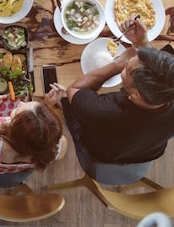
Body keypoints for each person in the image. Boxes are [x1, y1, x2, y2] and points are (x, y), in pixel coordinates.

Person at [55, 16, 174, 164]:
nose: (129, 59)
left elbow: (74, 89)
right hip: (150, 151)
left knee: (66, 104)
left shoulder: (107, 111)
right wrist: (142, 44)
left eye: (128, 68)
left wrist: (117, 64)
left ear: (136, 94)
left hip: (103, 153)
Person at [0, 93, 65, 187]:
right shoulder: (50, 144)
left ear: (15, 130)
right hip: (16, 171)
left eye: (17, 112)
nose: (21, 103)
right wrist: (47, 106)